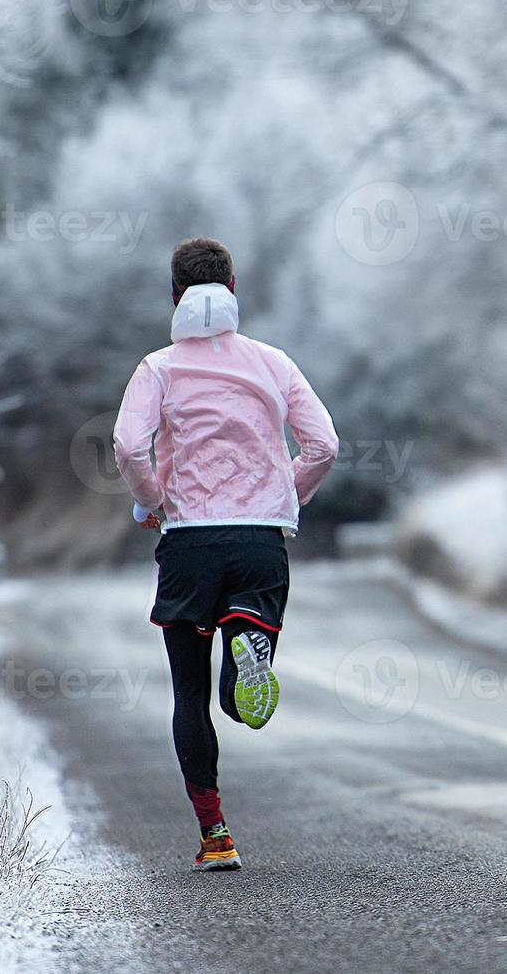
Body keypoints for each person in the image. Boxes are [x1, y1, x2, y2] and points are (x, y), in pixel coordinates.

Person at [113, 237, 338, 871]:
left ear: (175, 297)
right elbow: (323, 444)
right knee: (238, 690)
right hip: (258, 540)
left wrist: (153, 500)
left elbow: (130, 447)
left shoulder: (157, 369)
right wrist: (279, 497)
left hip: (188, 542)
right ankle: (245, 648)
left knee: (189, 693)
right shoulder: (274, 363)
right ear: (233, 291)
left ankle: (216, 834)